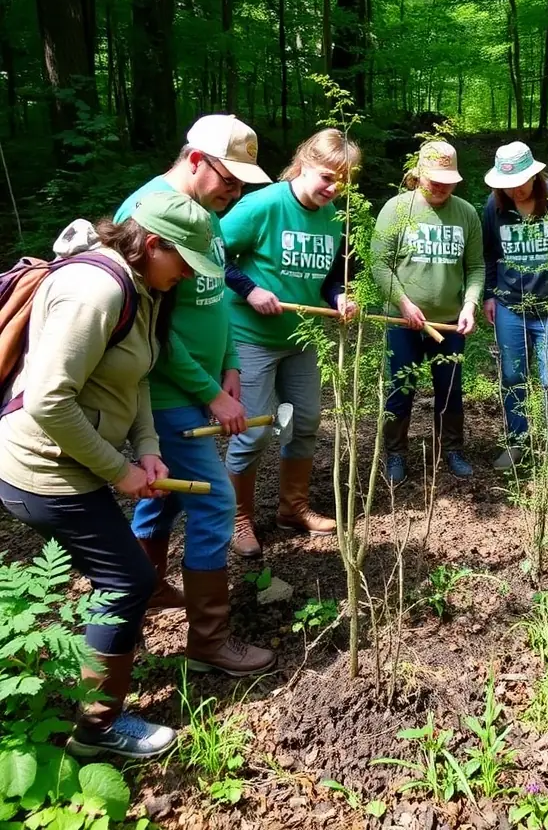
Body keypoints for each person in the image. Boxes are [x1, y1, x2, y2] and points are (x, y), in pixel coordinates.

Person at [0, 192, 219, 759]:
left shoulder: (142, 288)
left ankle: (97, 685)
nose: (190, 279)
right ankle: (97, 732)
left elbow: (136, 377)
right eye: (185, 264)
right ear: (152, 245)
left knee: (118, 581)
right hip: (40, 469)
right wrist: (119, 470)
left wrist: (146, 449)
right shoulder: (98, 290)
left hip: (74, 463)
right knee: (126, 582)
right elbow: (48, 400)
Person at [115, 114, 276, 677]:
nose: (236, 191)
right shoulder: (145, 214)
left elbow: (214, 302)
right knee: (214, 503)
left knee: (162, 500)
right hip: (164, 394)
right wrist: (212, 393)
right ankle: (209, 640)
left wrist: (229, 366)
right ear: (194, 159)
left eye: (242, 183)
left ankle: (145, 593)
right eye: (229, 178)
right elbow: (152, 332)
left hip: (206, 385)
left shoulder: (208, 217)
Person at [221, 128, 360, 554]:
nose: (333, 189)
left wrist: (339, 296)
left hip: (301, 338)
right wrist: (249, 289)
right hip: (250, 337)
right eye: (326, 177)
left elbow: (334, 275)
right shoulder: (262, 204)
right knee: (255, 430)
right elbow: (211, 253)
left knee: (303, 423)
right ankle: (237, 519)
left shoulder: (337, 217)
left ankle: (292, 508)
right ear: (303, 164)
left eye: (343, 182)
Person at [371, 141, 484, 483]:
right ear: (418, 175)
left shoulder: (466, 213)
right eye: (435, 179)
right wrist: (404, 303)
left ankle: (451, 450)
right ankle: (395, 455)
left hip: (449, 323)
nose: (441, 186)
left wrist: (470, 304)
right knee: (400, 388)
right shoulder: (396, 209)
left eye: (448, 180)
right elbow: (379, 263)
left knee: (449, 389)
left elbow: (476, 266)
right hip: (401, 321)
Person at [482, 142, 548, 483]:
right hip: (509, 307)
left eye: (521, 182)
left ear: (535, 174)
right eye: (506, 184)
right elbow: (489, 254)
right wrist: (489, 294)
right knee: (512, 377)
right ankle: (517, 441)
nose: (515, 190)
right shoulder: (494, 206)